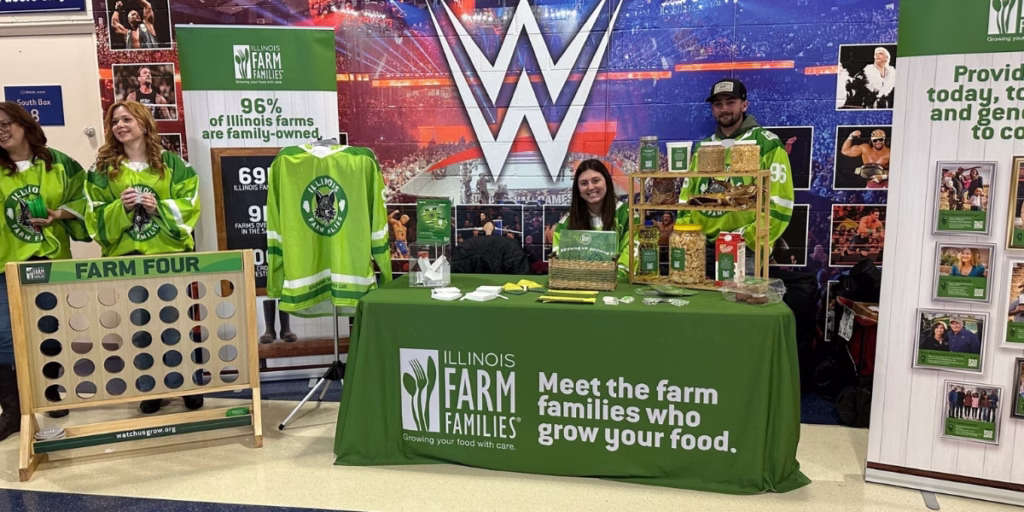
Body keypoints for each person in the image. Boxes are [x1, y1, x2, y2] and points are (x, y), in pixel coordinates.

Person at [85, 101, 202, 414]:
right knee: (140, 326)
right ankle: (151, 387)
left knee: (175, 323)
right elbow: (93, 214)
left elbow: (191, 202)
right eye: (114, 122)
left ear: (143, 122)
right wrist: (119, 207)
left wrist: (157, 206)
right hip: (129, 259)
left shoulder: (172, 163)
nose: (120, 126)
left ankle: (186, 383)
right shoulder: (103, 169)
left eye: (126, 119)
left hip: (168, 257)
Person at [0, 102, 91, 437]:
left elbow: (87, 197)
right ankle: (12, 410)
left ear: (25, 124)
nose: (1, 131)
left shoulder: (59, 163)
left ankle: (50, 391)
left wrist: (59, 214)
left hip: (49, 260)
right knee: (3, 336)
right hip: (5, 263)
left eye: (5, 123)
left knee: (48, 328)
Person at [677, 79, 794, 277]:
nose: (724, 109)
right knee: (698, 296)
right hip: (701, 245)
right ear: (712, 109)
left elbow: (781, 202)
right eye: (718, 104)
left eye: (730, 102)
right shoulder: (704, 146)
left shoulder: (766, 143)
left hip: (743, 247)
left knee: (739, 297)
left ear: (744, 105)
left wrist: (751, 237)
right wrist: (689, 235)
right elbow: (687, 195)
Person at [552, 159, 631, 276]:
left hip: (617, 284)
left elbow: (630, 258)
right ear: (578, 189)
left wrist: (607, 278)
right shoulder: (567, 222)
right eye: (584, 183)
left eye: (596, 181)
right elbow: (560, 263)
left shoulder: (627, 215)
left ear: (607, 182)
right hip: (581, 284)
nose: (590, 187)